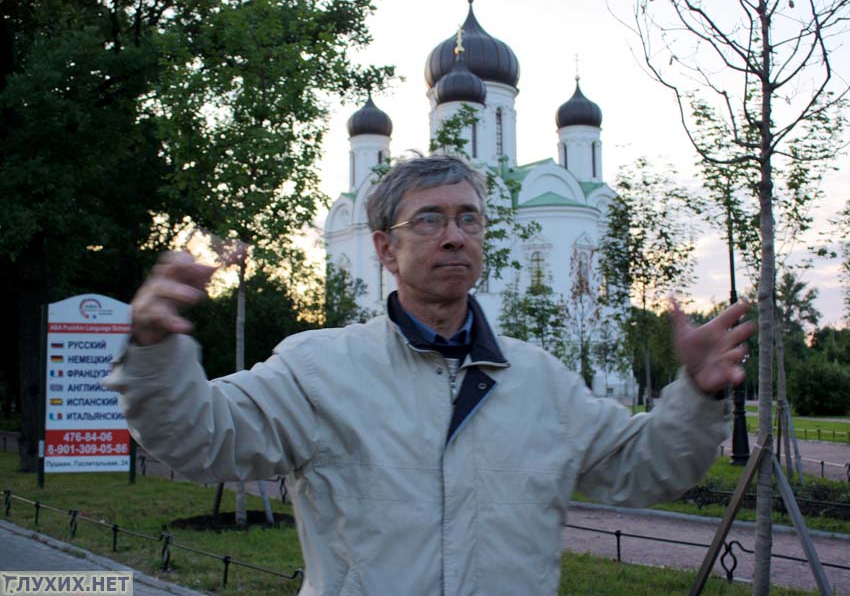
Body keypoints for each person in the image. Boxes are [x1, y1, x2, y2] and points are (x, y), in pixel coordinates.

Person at [105, 154, 755, 595]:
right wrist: (155, 349)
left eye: (468, 218)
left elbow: (645, 467)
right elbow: (199, 437)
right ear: (385, 247)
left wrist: (695, 395)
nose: (454, 235)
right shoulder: (319, 369)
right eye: (430, 219)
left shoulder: (539, 382)